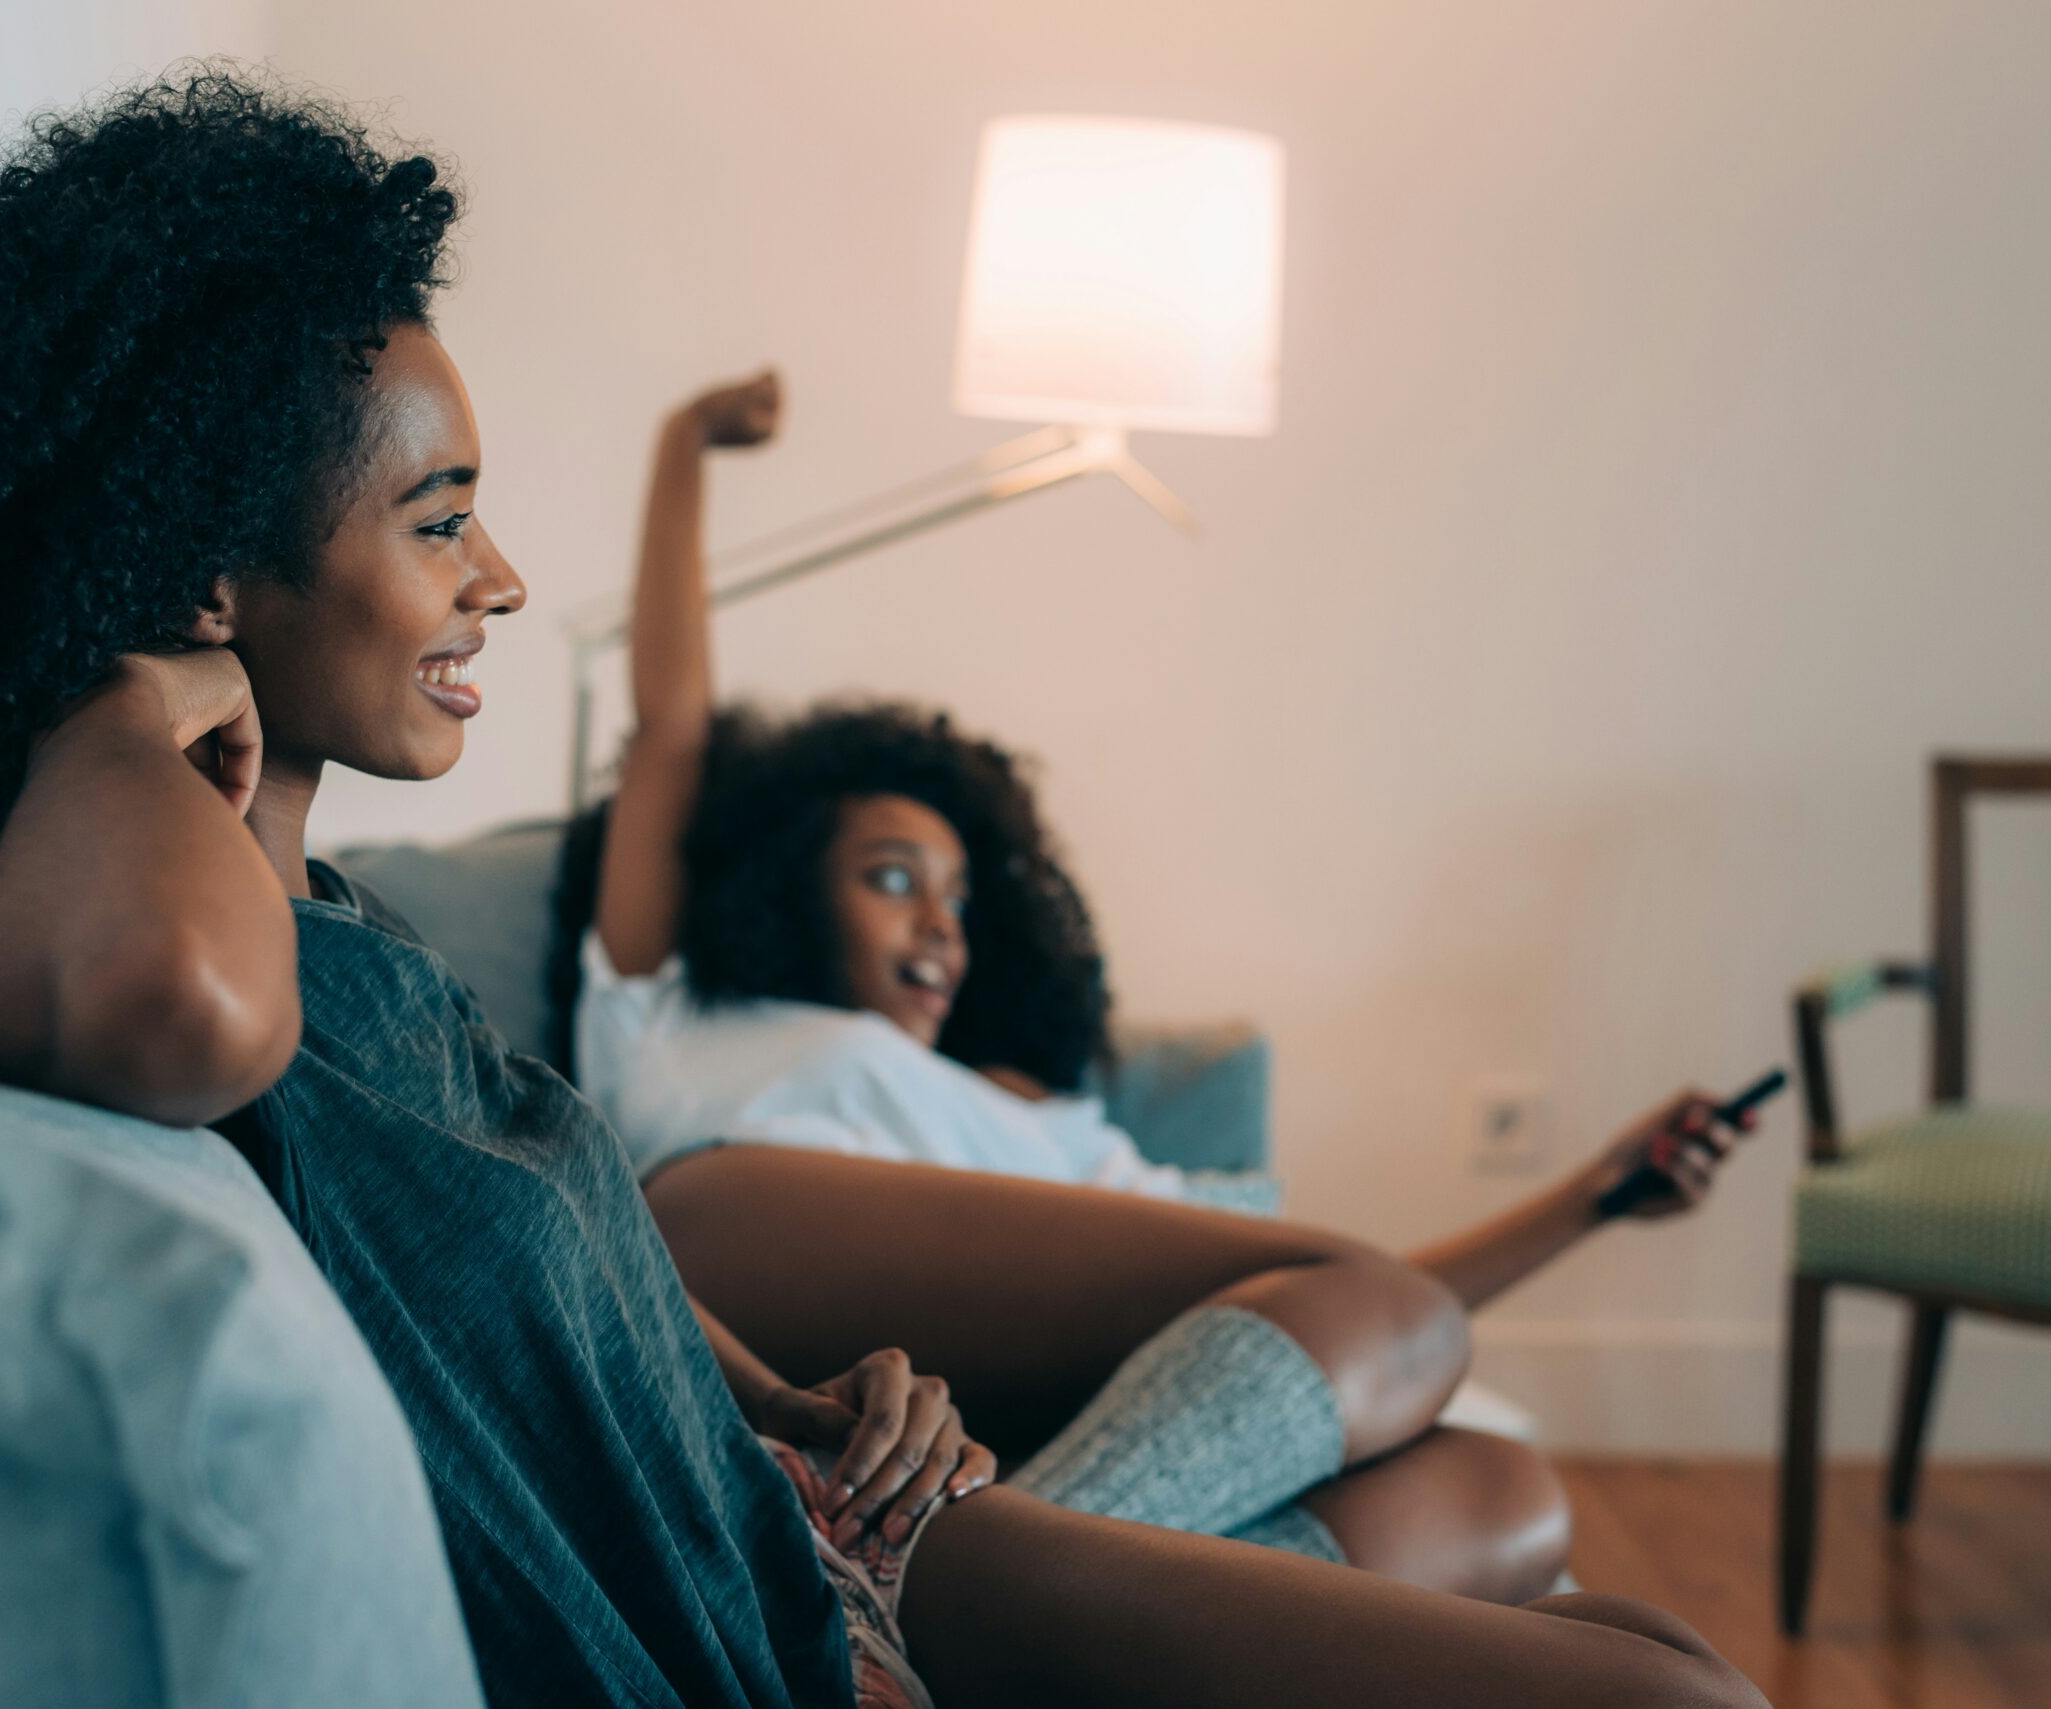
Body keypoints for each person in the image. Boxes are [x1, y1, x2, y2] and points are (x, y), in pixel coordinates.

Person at [0, 70, 1766, 1709]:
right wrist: (119, 701)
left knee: (1587, 1584)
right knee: (1655, 1684)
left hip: (797, 1517)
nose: (497, 577)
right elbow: (173, 1008)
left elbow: (537, 1246)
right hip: (800, 1624)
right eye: (440, 518)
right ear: (192, 573)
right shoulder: (141, 912)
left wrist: (798, 1393)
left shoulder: (344, 925)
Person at [550, 371, 1763, 1568]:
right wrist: (685, 442)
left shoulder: (1032, 1120)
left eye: (961, 896)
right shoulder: (678, 1000)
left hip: (982, 1399)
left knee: (1495, 1488)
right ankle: (969, 1597)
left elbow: (1362, 1310)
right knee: (1399, 1321)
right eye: (890, 876)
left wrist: (1593, 1198)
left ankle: (984, 1610)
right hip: (729, 1245)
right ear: (781, 884)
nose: (940, 924)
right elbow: (674, 726)